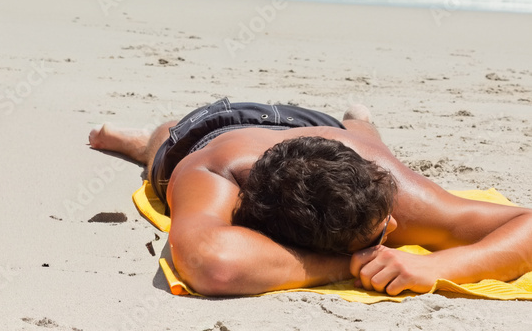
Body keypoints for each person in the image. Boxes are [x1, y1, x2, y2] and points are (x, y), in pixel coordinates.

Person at [89, 97, 532, 297]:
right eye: (380, 233)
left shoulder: (385, 186)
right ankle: (138, 140)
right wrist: (346, 266)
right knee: (162, 147)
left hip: (315, 131)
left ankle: (359, 123)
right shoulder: (211, 175)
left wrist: (437, 265)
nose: (395, 229)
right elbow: (215, 265)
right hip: (209, 133)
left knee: (363, 137)